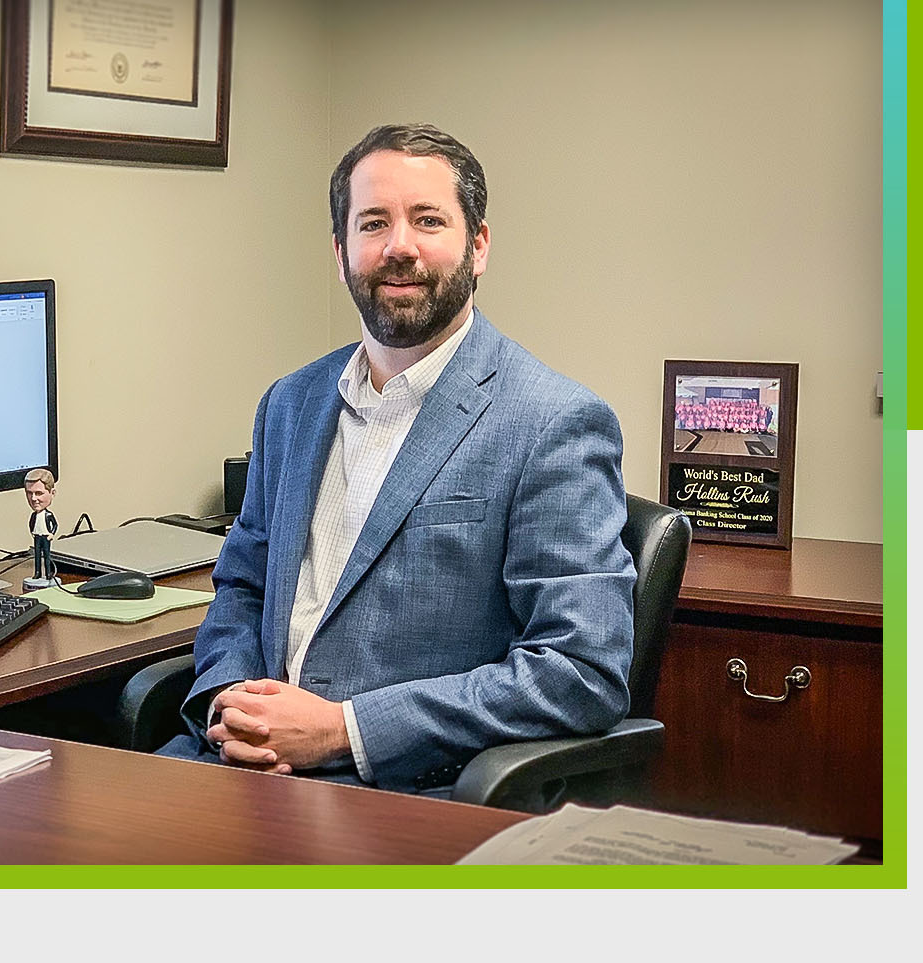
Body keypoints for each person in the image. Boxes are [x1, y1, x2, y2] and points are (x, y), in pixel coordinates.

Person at [157, 123, 636, 795]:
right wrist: (231, 697)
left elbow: (580, 669)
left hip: (407, 789)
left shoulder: (552, 423)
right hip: (237, 766)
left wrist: (344, 729)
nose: (399, 246)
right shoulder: (290, 404)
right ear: (340, 249)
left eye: (428, 220)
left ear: (479, 245)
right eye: (373, 222)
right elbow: (244, 587)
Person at [23, 468, 59, 590]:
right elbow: (31, 524)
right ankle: (37, 573)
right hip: (37, 537)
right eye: (29, 493)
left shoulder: (48, 515)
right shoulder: (34, 515)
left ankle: (48, 573)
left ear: (52, 493)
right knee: (37, 555)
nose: (33, 498)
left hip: (46, 537)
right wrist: (32, 533)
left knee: (47, 556)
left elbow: (55, 525)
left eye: (38, 493)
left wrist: (52, 534)